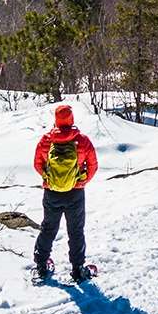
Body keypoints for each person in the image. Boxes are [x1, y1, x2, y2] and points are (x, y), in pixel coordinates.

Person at [32, 104, 99, 281]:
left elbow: (37, 164)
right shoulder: (82, 140)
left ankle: (41, 265)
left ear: (56, 119)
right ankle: (78, 270)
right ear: (71, 119)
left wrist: (48, 178)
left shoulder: (47, 140)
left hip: (52, 193)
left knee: (48, 228)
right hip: (75, 193)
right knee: (76, 230)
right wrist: (82, 181)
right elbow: (93, 165)